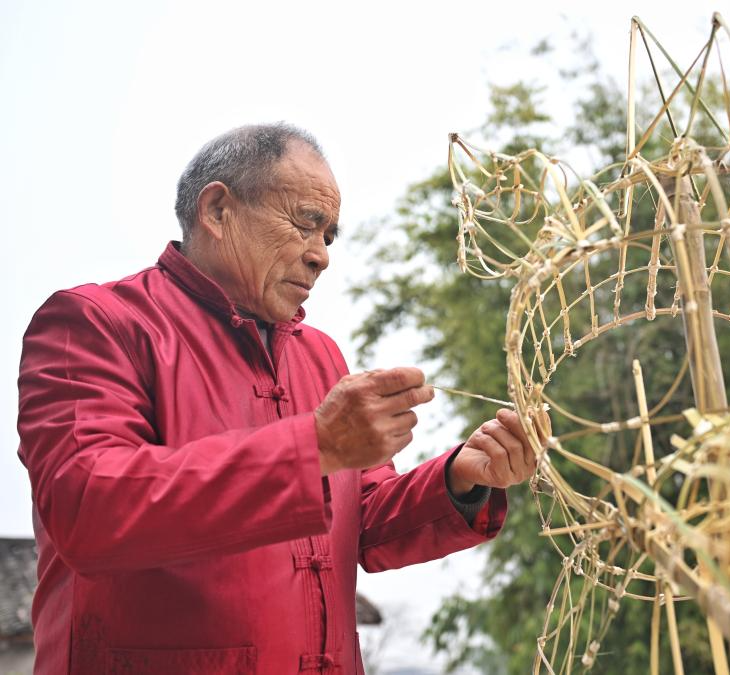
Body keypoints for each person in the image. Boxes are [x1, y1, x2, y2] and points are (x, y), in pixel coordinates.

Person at [17, 123, 541, 675]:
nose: (321, 257)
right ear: (217, 210)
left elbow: (361, 523)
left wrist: (462, 477)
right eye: (305, 225)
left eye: (330, 236)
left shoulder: (321, 357)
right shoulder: (99, 324)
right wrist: (313, 446)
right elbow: (88, 508)